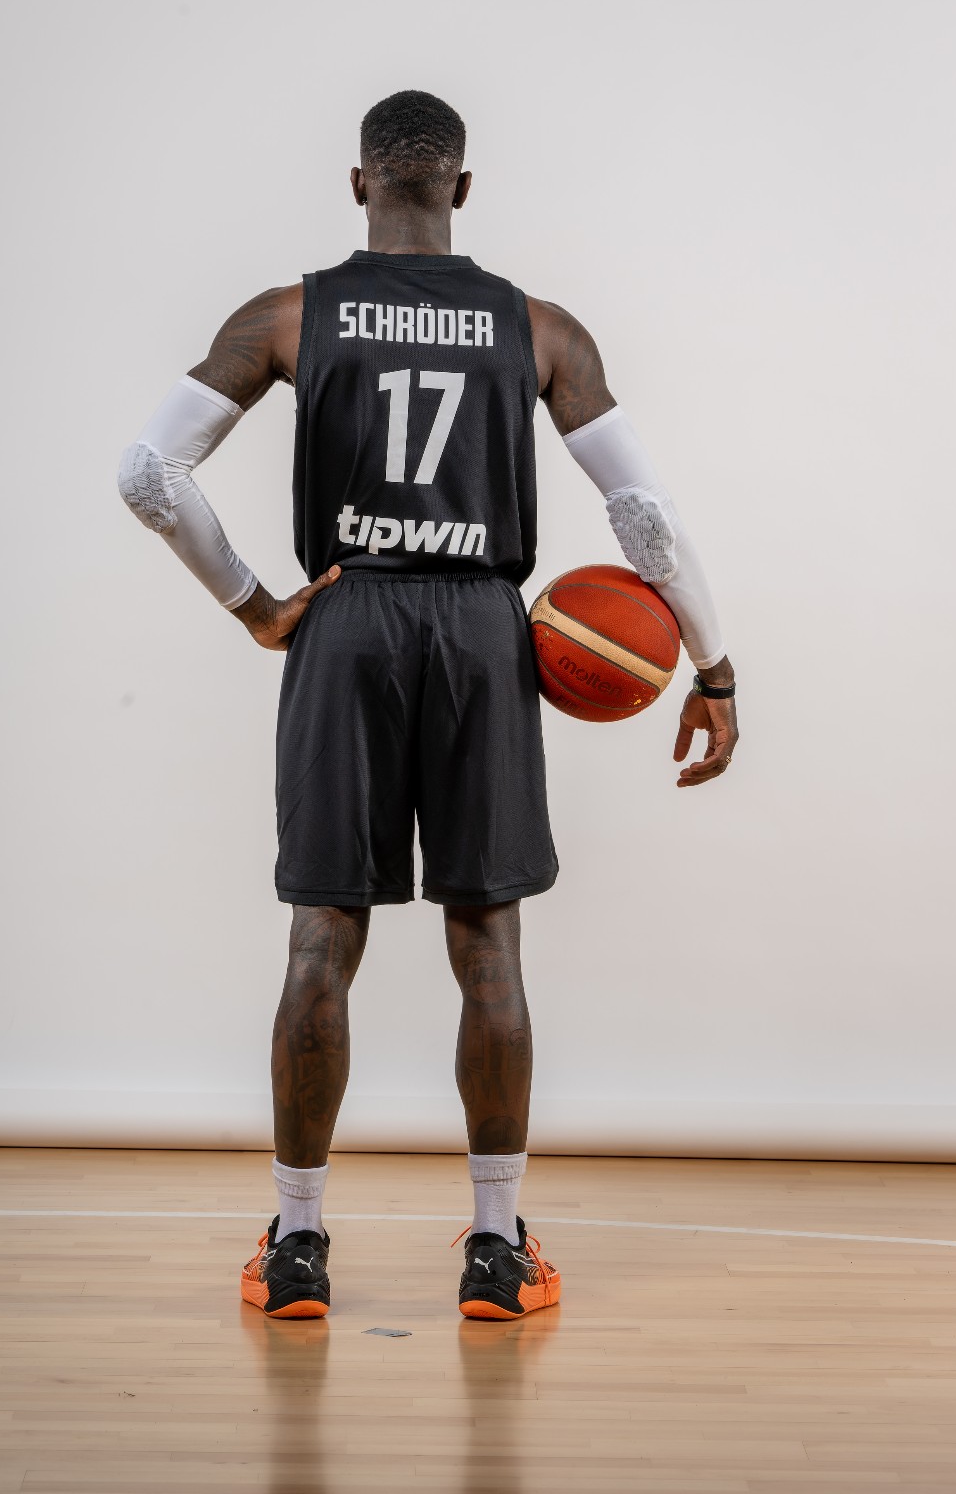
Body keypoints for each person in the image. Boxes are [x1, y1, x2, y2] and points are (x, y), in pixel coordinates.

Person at [117, 90, 739, 1321]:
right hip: (478, 630)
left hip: (344, 619)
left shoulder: (289, 314)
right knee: (487, 944)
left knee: (319, 939)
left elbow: (147, 471)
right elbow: (645, 518)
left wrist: (254, 603)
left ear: (360, 185)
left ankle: (296, 1247)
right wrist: (711, 666)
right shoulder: (538, 327)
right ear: (461, 187)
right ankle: (495, 1250)